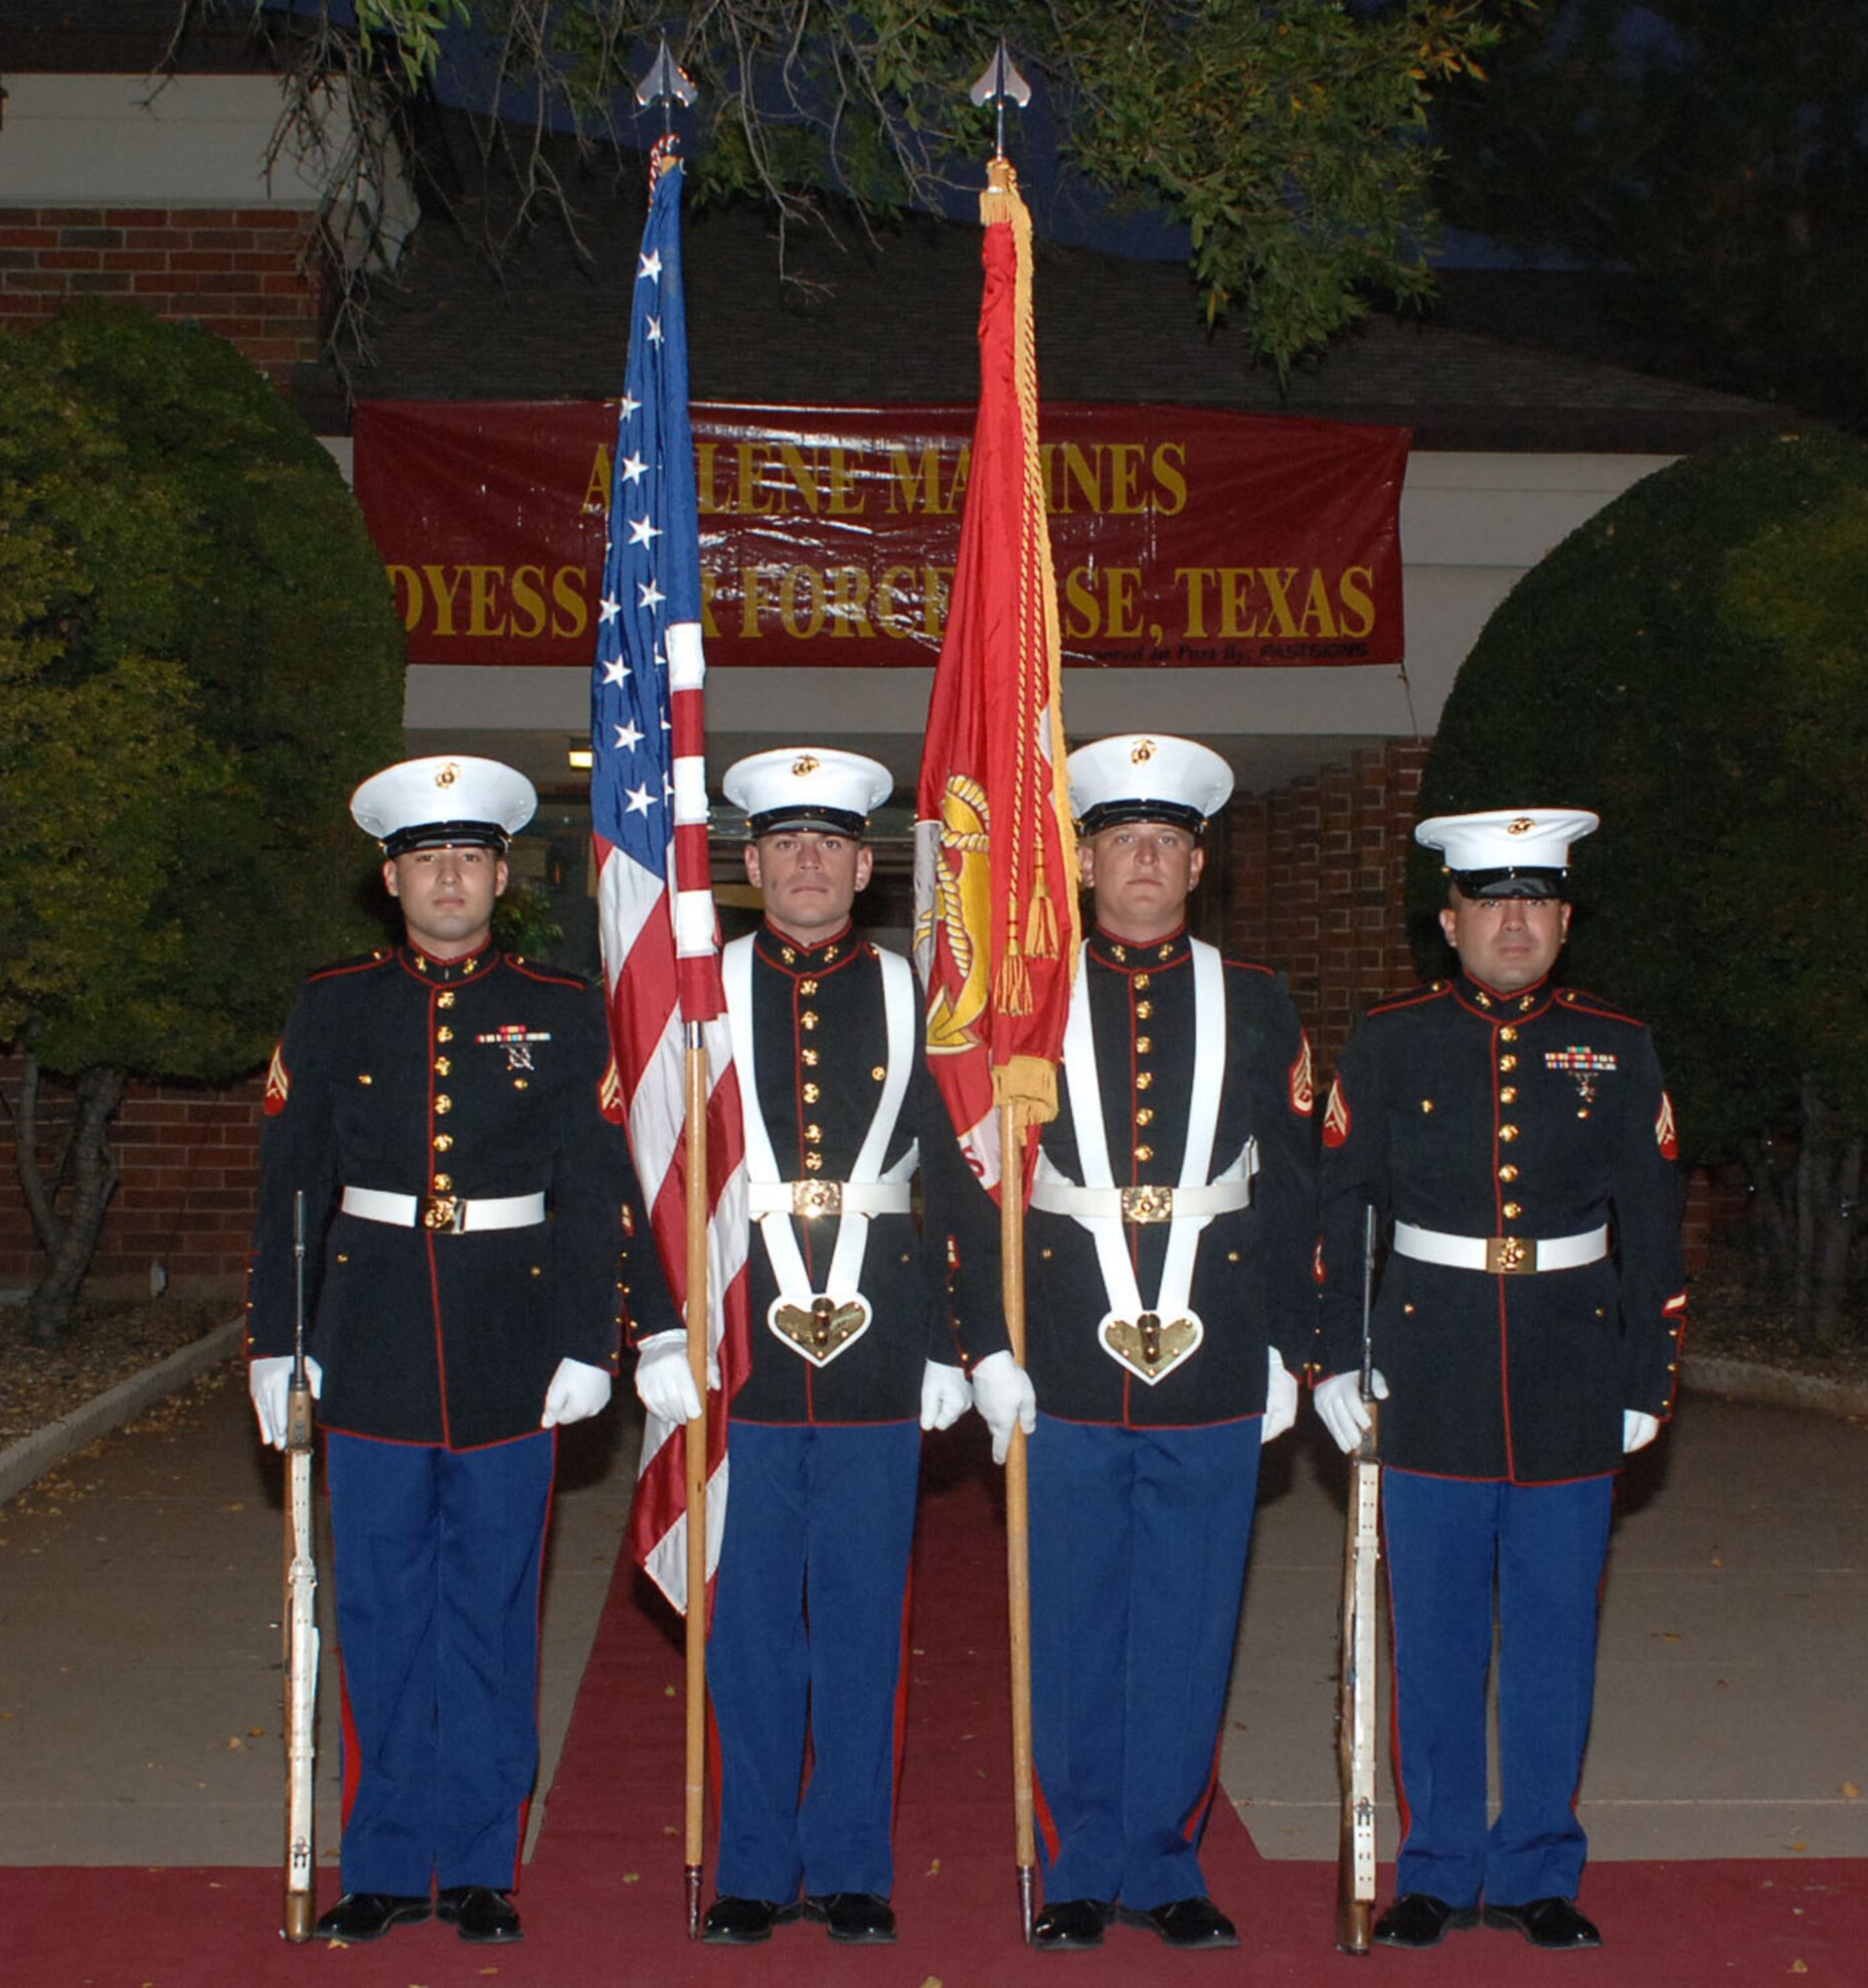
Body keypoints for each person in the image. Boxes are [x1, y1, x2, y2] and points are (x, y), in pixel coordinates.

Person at [247, 754, 639, 1945]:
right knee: (374, 1609)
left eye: (469, 855)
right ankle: (379, 1859)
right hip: (365, 1343)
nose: (450, 875)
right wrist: (277, 1345)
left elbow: (596, 1184)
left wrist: (591, 1337)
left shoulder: (565, 1008)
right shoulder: (333, 1004)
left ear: (503, 872)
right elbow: (291, 1188)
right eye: (427, 857)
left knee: (490, 1609)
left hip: (510, 1345)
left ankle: (477, 1862)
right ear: (391, 877)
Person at [945, 733, 1317, 1952]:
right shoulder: (1022, 998)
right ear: (1085, 857)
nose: (1143, 859)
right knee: (1068, 1616)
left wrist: (1287, 1348)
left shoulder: (1257, 998)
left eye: (1165, 840)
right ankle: (1077, 1860)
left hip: (1212, 1356)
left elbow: (1297, 1184)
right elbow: (974, 1186)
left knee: (1189, 1616)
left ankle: (1164, 1859)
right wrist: (986, 1345)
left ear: (1196, 860)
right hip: (1061, 1350)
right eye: (1119, 839)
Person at [1312, 807, 1687, 1953]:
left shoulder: (1617, 1044)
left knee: (1550, 1637)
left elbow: (1655, 1225)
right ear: (1448, 920)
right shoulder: (1388, 1039)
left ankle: (1535, 1867)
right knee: (1429, 1636)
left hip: (1571, 1370)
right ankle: (1433, 1867)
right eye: (1489, 901)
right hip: (1427, 1366)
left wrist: (1647, 1370)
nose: (1512, 920)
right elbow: (1339, 1207)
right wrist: (1333, 1353)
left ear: (1564, 921)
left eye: (1534, 901)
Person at [635, 746, 967, 1947]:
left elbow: (961, 1185)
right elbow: (648, 1175)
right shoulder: (696, 993)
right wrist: (654, 1326)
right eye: (784, 843)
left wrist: (953, 1341)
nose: (807, 862)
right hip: (737, 1348)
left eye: (829, 842)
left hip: (881, 1343)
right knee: (750, 1625)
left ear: (866, 865)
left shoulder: (922, 994)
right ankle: (751, 1864)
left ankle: (851, 1865)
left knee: (866, 1622)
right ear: (748, 864)